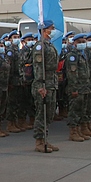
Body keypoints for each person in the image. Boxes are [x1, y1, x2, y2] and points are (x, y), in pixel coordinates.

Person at [32, 21, 60, 153]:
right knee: (41, 114)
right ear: (44, 30)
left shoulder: (49, 45)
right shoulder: (40, 46)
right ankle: (39, 141)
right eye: (51, 28)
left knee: (49, 113)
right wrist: (41, 86)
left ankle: (44, 139)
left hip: (51, 83)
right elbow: (38, 68)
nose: (53, 30)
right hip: (43, 84)